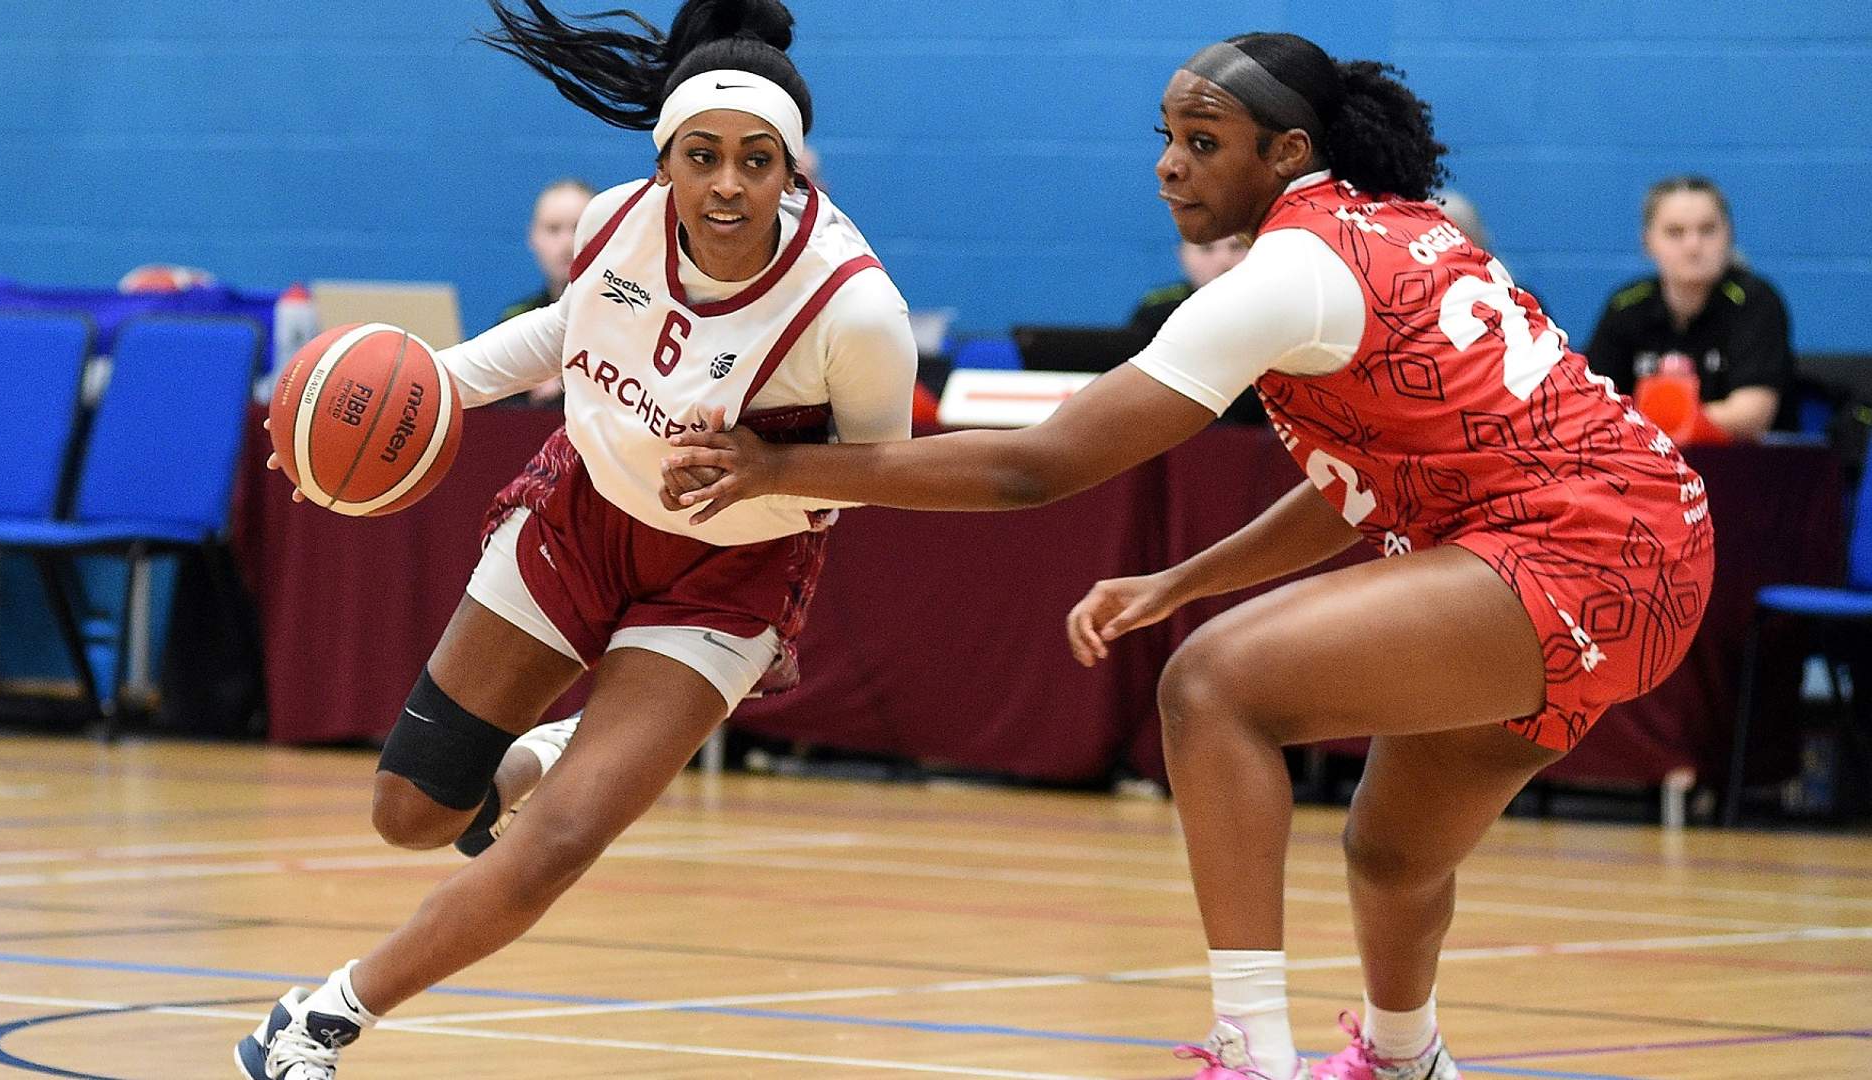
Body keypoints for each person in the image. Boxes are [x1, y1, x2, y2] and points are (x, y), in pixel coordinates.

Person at [664, 31, 1713, 1080]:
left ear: (1286, 152)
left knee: (1210, 686)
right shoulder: (1389, 228)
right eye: (1165, 137)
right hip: (1636, 543)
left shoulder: (1291, 271)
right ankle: (1406, 1062)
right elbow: (1361, 483)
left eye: (1203, 140)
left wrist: (778, 469)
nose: (1169, 163)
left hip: (1583, 550)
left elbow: (1037, 467)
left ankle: (1249, 1054)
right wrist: (1180, 579)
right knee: (1390, 854)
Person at [235, 1, 916, 1076]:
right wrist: (397, 398)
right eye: (702, 158)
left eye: (756, 160)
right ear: (664, 164)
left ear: (793, 170)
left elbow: (880, 477)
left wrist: (764, 468)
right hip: (579, 517)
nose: (728, 183)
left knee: (562, 842)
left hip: (728, 568)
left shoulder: (854, 308)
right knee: (409, 814)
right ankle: (552, 750)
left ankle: (317, 1019)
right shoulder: (612, 222)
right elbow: (567, 331)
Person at [1586, 175, 1794, 441]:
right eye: (1675, 232)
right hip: (1645, 465)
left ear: (1729, 234)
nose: (1693, 245)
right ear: (1647, 241)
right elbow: (1594, 406)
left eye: (1707, 230)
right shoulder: (1626, 306)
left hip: (1743, 467)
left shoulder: (1754, 301)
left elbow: (1752, 414)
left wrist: (1662, 421)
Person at [1129, 236, 1264, 423]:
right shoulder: (1156, 311)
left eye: (1237, 247)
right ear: (1182, 255)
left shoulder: (1282, 311)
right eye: (1206, 248)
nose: (1223, 260)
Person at [495, 178, 596, 405]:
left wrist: (564, 385)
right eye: (553, 229)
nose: (567, 243)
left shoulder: (629, 321)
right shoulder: (515, 321)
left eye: (578, 228)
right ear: (533, 237)